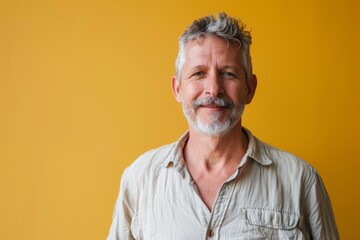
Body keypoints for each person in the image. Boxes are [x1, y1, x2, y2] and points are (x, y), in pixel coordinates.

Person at [107, 13, 339, 239]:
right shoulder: (140, 179)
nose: (213, 88)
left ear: (250, 88)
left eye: (228, 74)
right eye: (198, 73)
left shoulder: (301, 181)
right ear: (177, 89)